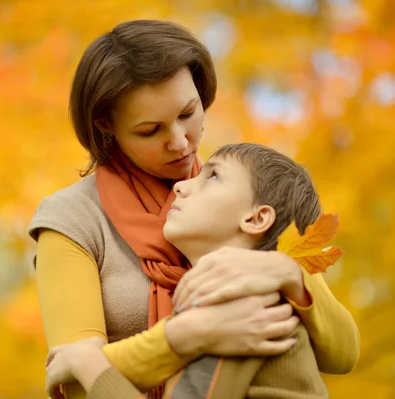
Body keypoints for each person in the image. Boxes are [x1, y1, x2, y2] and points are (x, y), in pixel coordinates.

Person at [27, 19, 359, 399]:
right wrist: (187, 336)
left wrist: (286, 271)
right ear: (107, 126)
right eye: (150, 130)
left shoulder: (243, 194)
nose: (181, 142)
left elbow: (343, 352)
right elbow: (75, 380)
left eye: (188, 113)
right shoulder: (73, 219)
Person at [44, 142, 331, 398]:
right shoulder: (252, 297)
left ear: (256, 218)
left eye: (213, 176)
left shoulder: (239, 308)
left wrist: (88, 363)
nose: (181, 186)